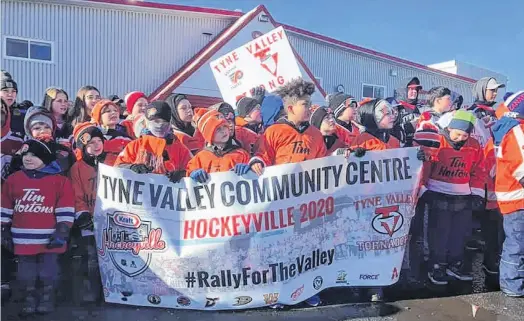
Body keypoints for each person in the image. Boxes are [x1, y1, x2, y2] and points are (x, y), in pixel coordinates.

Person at [249, 78, 325, 307]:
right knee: (279, 249)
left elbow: (323, 163)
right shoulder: (274, 131)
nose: (310, 108)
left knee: (306, 247)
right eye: (305, 104)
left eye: (310, 104)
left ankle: (308, 288)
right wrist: (256, 161)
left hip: (307, 204)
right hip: (280, 203)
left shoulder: (315, 134)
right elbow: (263, 155)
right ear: (291, 107)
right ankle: (277, 292)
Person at [1, 138, 74, 315]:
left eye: (34, 155)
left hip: (50, 238)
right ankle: (29, 298)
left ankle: (47, 298)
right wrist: (3, 230)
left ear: (45, 159)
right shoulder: (13, 180)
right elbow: (5, 207)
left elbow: (65, 208)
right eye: (25, 154)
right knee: (25, 273)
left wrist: (62, 230)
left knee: (48, 271)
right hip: (22, 238)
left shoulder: (59, 181)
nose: (28, 158)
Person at [421, 110, 486, 285]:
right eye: (457, 134)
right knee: (439, 233)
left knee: (459, 233)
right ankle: (437, 265)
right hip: (438, 193)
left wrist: (477, 193)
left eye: (465, 135)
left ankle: (454, 263)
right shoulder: (438, 142)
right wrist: (423, 189)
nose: (461, 139)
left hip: (463, 195)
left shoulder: (473, 145)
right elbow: (425, 167)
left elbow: (479, 170)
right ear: (449, 128)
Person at [69, 123, 107, 303]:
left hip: (110, 222)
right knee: (91, 258)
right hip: (89, 222)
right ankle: (91, 290)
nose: (97, 145)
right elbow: (76, 195)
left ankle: (110, 291)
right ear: (83, 146)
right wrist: (82, 215)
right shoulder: (77, 168)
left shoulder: (111, 163)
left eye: (99, 140)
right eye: (91, 142)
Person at [492, 91, 524, 297]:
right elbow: (521, 167)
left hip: (515, 196)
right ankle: (512, 284)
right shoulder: (517, 131)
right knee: (517, 243)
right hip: (516, 197)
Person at [115, 100, 192, 180]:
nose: (160, 125)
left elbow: (192, 168)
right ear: (147, 122)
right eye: (156, 121)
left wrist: (183, 174)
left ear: (169, 124)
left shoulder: (179, 148)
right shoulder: (135, 146)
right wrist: (131, 167)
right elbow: (117, 167)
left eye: (164, 122)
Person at [187, 109, 250, 182]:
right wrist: (191, 174)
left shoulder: (241, 154)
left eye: (225, 126)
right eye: (218, 129)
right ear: (209, 135)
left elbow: (254, 178)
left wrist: (249, 169)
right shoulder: (199, 158)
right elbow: (188, 174)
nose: (223, 131)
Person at [87, 99, 132, 165]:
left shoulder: (125, 138)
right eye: (108, 111)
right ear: (98, 117)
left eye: (115, 110)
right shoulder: (91, 137)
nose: (113, 113)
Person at [397, 77, 423, 146]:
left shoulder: (420, 109)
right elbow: (390, 130)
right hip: (399, 149)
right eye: (411, 89)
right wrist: (411, 126)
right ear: (404, 90)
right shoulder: (396, 108)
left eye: (416, 89)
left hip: (417, 148)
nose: (414, 91)